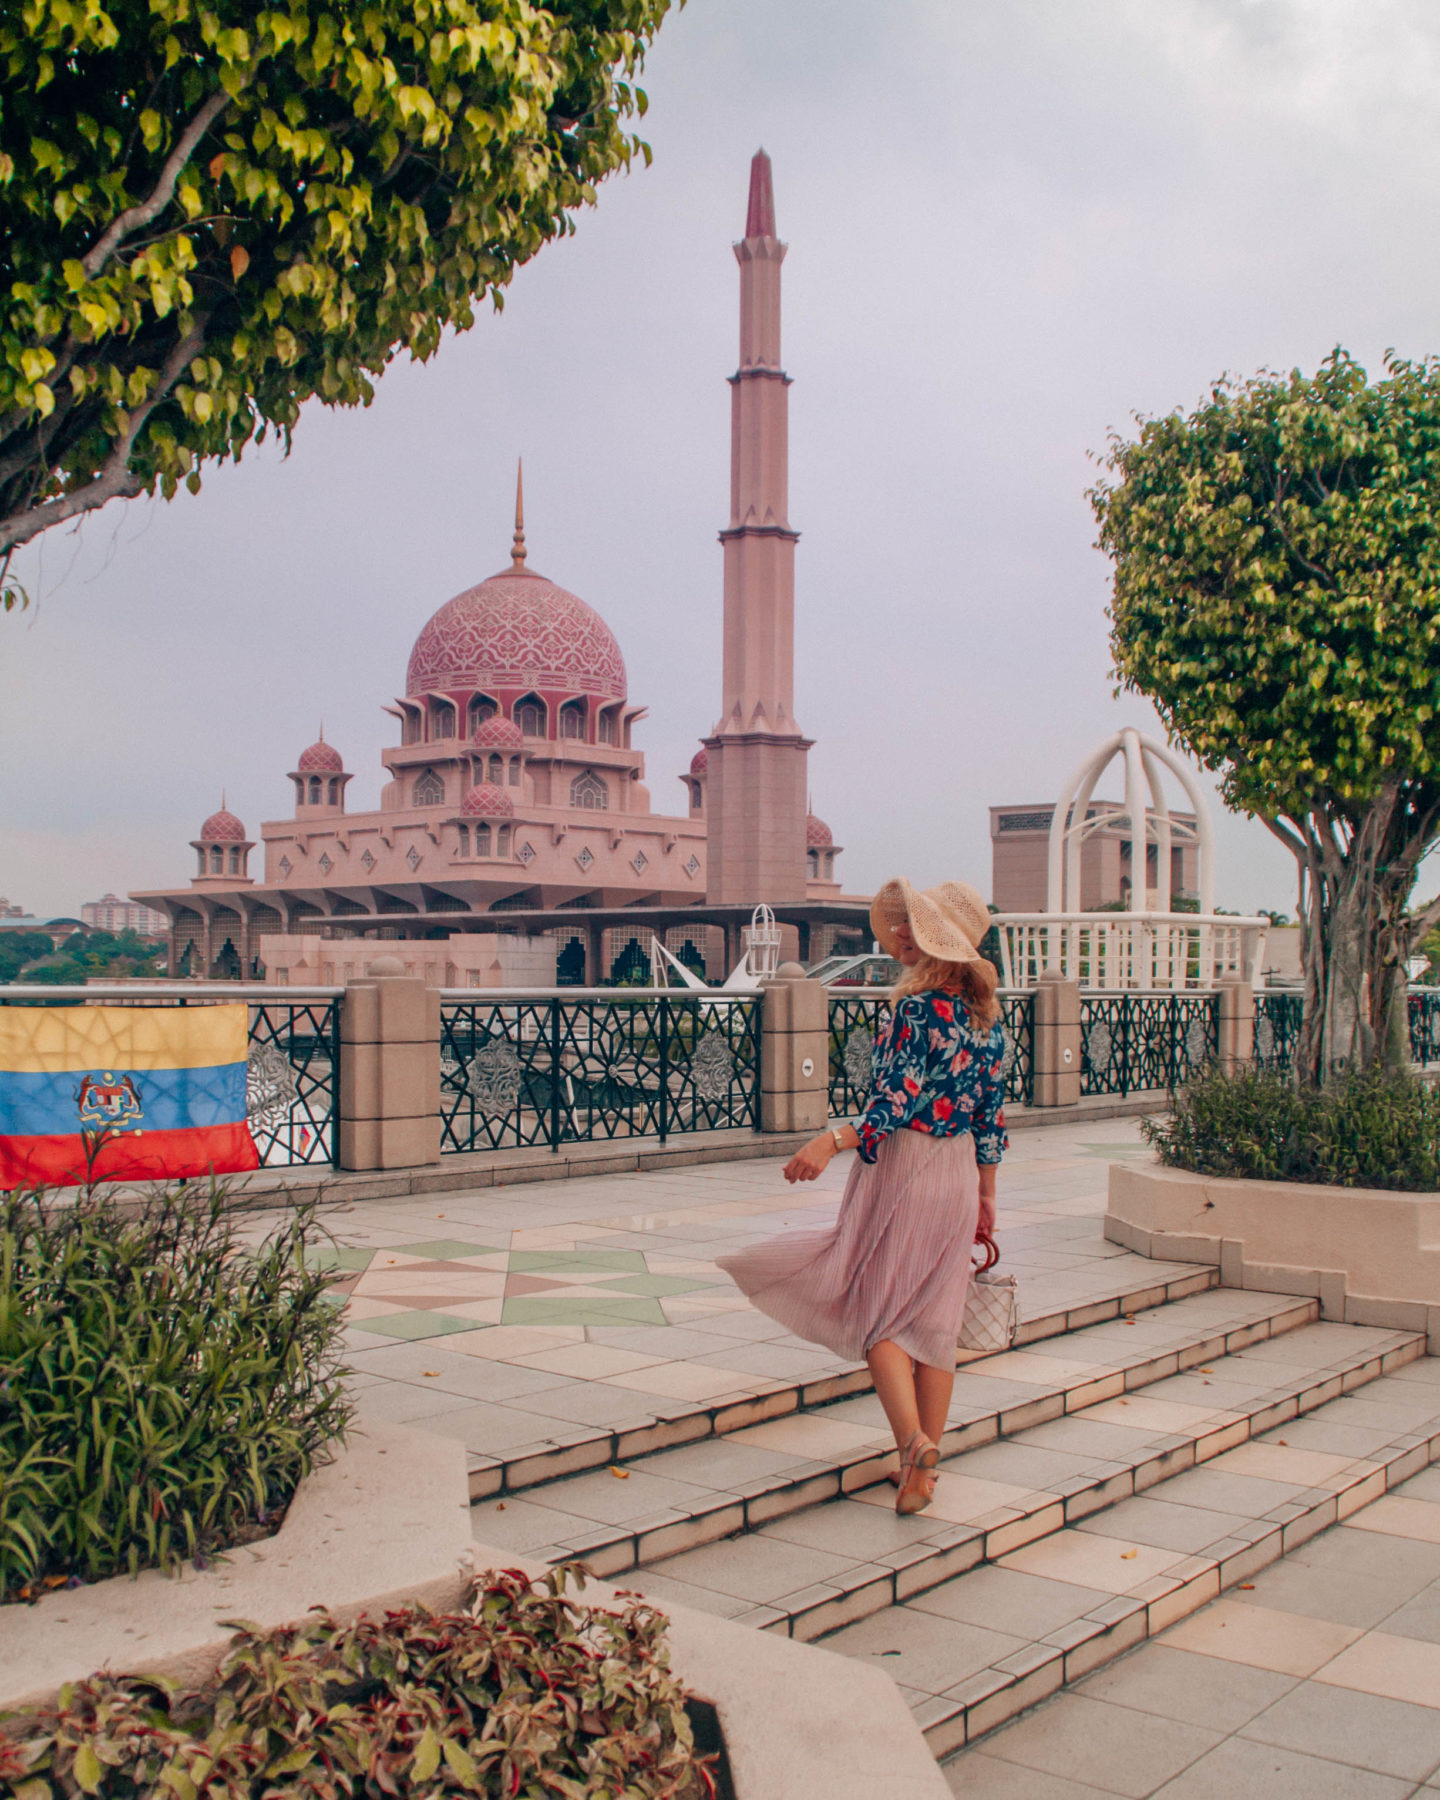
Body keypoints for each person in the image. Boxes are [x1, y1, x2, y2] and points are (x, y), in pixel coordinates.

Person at [716, 878, 1007, 1515]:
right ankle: (922, 1476)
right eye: (902, 924)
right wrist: (986, 1195)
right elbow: (991, 1119)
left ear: (939, 947)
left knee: (880, 1314)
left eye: (915, 929)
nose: (899, 935)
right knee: (933, 1321)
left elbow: (894, 1104)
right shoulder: (986, 1018)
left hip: (905, 1169)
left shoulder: (914, 1010)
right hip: (957, 1176)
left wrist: (831, 1140)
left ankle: (913, 1446)